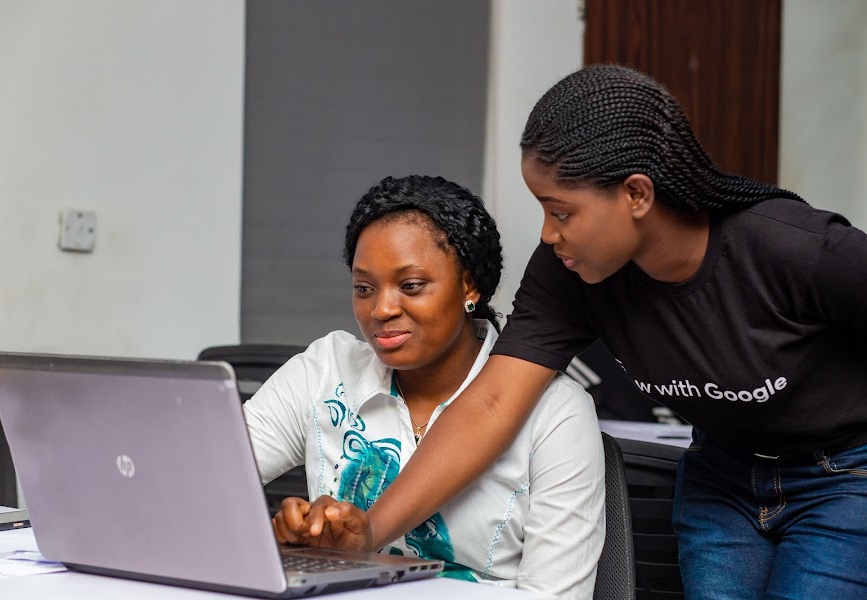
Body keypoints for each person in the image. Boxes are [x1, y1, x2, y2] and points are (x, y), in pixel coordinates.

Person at [285, 65, 867, 600]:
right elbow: (489, 404)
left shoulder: (798, 249)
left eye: (560, 211)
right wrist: (370, 533)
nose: (546, 233)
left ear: (636, 193)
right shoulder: (568, 275)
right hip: (722, 477)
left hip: (843, 474)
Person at [243, 174, 605, 596]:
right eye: (364, 288)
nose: (381, 309)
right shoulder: (325, 371)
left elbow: (555, 593)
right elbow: (204, 479)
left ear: (469, 284)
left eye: (410, 286)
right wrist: (285, 542)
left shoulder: (556, 412)